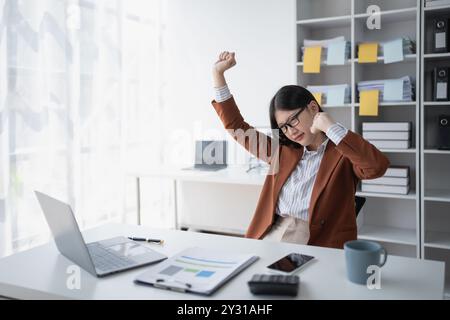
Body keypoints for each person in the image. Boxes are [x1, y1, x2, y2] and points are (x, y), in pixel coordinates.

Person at [211, 51, 390, 249]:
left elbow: (377, 167)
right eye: (284, 127)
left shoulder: (343, 152)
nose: (290, 131)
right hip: (272, 231)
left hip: (316, 239)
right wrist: (218, 75)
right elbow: (237, 127)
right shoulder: (281, 151)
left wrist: (332, 128)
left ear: (313, 108)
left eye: (293, 120)